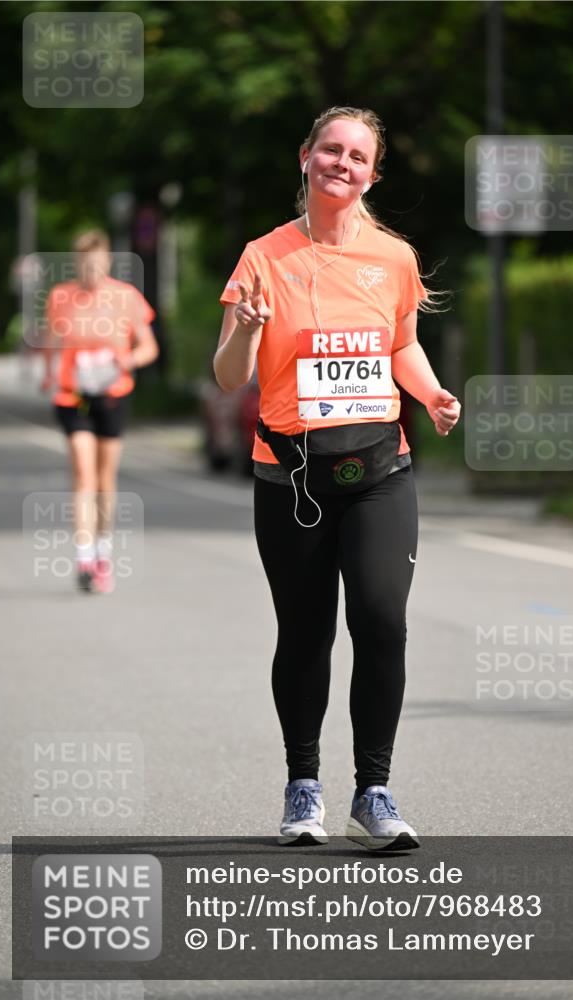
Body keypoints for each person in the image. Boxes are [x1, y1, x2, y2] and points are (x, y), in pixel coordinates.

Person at [215, 107, 461, 851]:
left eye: (358, 155)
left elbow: (401, 346)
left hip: (380, 468)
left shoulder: (393, 258)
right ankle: (302, 787)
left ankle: (375, 791)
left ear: (371, 174)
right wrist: (252, 328)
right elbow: (228, 376)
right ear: (305, 158)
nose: (342, 163)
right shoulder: (262, 256)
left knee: (382, 621)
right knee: (305, 631)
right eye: (331, 149)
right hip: (290, 474)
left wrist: (432, 392)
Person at [41, 229, 159, 594]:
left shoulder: (125, 298)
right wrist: (48, 374)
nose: (90, 271)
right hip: (73, 394)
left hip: (112, 394)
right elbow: (51, 341)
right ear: (76, 264)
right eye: (83, 264)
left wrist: (127, 358)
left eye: (96, 263)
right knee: (82, 472)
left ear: (106, 261)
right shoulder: (61, 297)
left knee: (105, 479)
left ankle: (103, 552)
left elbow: (148, 347)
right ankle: (83, 558)